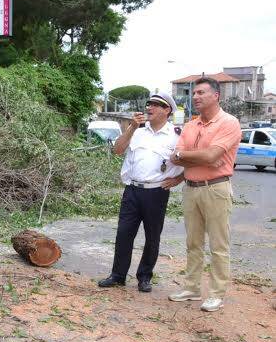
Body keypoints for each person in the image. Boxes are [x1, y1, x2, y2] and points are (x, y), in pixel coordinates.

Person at [167, 77, 241, 312]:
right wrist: (190, 155)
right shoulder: (190, 126)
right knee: (193, 242)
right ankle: (191, 288)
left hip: (216, 188)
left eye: (200, 93)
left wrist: (186, 155)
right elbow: (174, 155)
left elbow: (212, 158)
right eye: (194, 93)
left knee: (219, 244)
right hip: (191, 188)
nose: (195, 97)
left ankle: (217, 293)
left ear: (216, 95)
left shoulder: (228, 123)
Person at [97, 93, 183, 293]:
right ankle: (118, 275)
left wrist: (178, 179)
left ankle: (144, 277)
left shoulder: (176, 135)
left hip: (156, 192)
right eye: (149, 104)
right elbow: (117, 150)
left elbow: (188, 160)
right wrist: (131, 127)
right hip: (132, 191)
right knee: (124, 234)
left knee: (152, 237)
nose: (149, 108)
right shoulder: (138, 131)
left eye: (155, 105)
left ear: (167, 110)